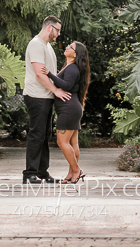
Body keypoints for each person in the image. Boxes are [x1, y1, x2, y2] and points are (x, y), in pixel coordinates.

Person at [22, 16, 71, 184]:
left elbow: (50, 72)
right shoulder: (36, 45)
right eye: (57, 30)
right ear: (49, 28)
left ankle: (42, 172)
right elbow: (39, 73)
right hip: (36, 96)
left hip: (46, 96)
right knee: (37, 134)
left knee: (44, 135)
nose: (58, 34)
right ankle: (30, 174)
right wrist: (55, 90)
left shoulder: (47, 46)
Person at [41, 40, 90, 184]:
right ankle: (71, 173)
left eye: (71, 47)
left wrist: (49, 74)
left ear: (75, 54)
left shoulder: (72, 69)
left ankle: (76, 170)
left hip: (68, 110)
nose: (67, 47)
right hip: (72, 109)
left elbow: (66, 85)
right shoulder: (69, 67)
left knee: (62, 142)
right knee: (73, 143)